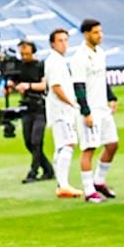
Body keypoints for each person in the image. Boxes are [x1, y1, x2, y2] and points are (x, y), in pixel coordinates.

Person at [74, 18, 119, 204]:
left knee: (112, 144)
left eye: (100, 32)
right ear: (86, 34)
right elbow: (78, 86)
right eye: (95, 32)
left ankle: (99, 181)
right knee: (89, 149)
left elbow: (102, 78)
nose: (100, 35)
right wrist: (86, 112)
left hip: (103, 108)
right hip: (90, 110)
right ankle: (88, 191)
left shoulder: (100, 53)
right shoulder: (79, 57)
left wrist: (111, 97)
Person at [43, 29, 83, 199]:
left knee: (63, 145)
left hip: (61, 111)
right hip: (61, 111)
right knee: (68, 144)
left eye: (66, 40)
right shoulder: (54, 62)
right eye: (60, 40)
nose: (64, 43)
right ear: (53, 43)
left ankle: (62, 184)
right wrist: (71, 103)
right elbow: (56, 86)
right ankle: (63, 185)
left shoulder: (59, 60)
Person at [10, 40, 53, 184]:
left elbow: (44, 85)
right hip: (26, 107)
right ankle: (48, 169)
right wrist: (10, 86)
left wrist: (27, 86)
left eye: (27, 53)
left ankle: (33, 171)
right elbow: (13, 83)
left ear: (33, 52)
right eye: (22, 54)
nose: (24, 56)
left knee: (36, 140)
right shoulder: (18, 67)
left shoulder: (41, 65)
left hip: (40, 107)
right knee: (28, 141)